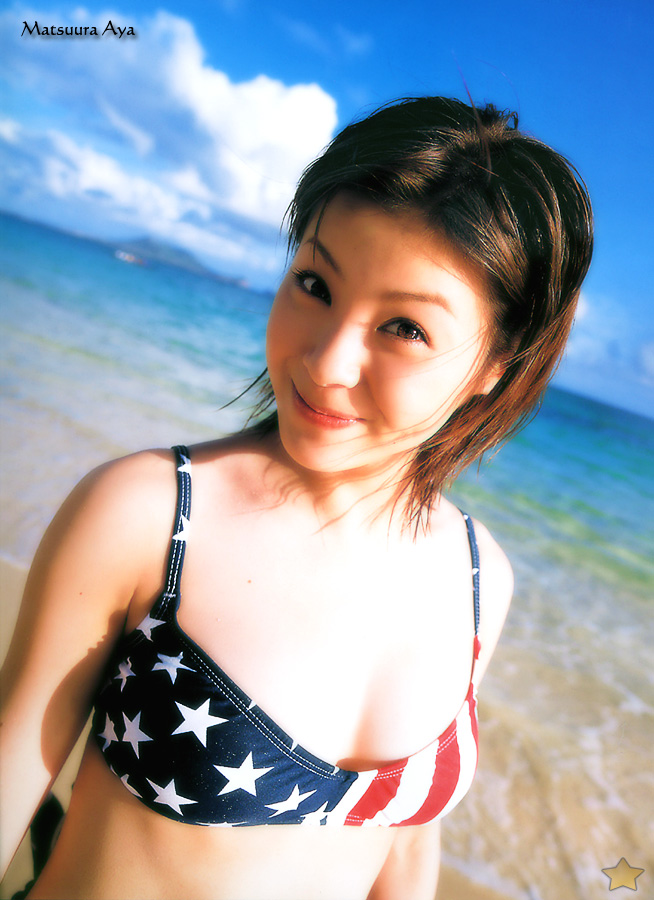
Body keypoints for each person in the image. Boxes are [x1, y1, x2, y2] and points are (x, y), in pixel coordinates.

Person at [0, 96, 593, 900]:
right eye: (315, 283)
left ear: (497, 364)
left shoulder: (479, 576)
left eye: (405, 328)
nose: (326, 361)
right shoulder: (150, 518)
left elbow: (405, 845)